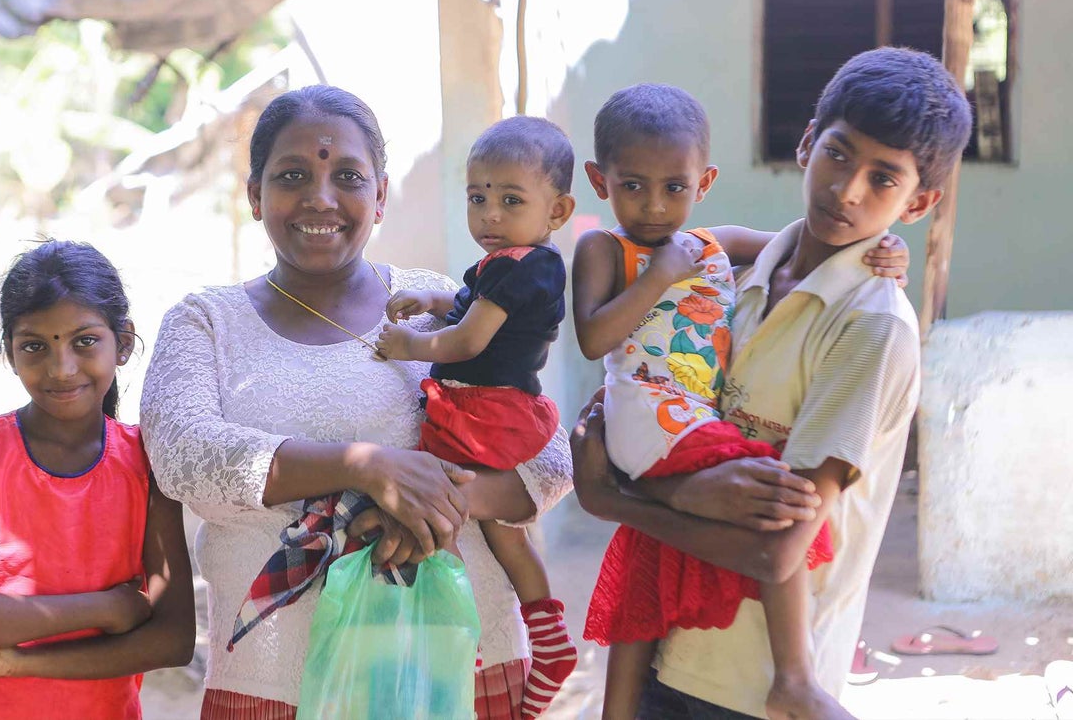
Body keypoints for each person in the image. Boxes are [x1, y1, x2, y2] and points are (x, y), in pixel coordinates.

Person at [139, 85, 574, 719]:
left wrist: (430, 504)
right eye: (292, 176)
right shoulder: (206, 323)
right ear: (255, 195)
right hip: (275, 685)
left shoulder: (440, 303)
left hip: (456, 676)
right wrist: (367, 469)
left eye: (347, 176)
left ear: (381, 196)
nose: (321, 198)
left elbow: (549, 458)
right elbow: (185, 457)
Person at [572, 47, 970, 720]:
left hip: (751, 687)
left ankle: (798, 680)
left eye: (883, 179)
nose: (848, 190)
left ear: (920, 202)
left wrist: (617, 497)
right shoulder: (735, 279)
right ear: (808, 143)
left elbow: (778, 548)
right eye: (838, 155)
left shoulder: (872, 327)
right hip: (673, 646)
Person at [0, 241, 195, 720]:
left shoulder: (148, 461)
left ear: (123, 342)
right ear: (10, 352)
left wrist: (17, 657)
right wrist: (109, 608)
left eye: (84, 341)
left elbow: (173, 639)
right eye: (35, 346)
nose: (61, 368)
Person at [374, 115, 580, 717]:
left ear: (558, 210)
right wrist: (435, 300)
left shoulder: (519, 267)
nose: (489, 214)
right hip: (500, 410)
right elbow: (471, 307)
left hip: (484, 410)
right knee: (501, 530)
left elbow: (467, 340)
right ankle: (550, 637)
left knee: (435, 508)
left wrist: (408, 344)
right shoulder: (521, 262)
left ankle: (457, 638)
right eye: (477, 198)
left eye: (511, 200)